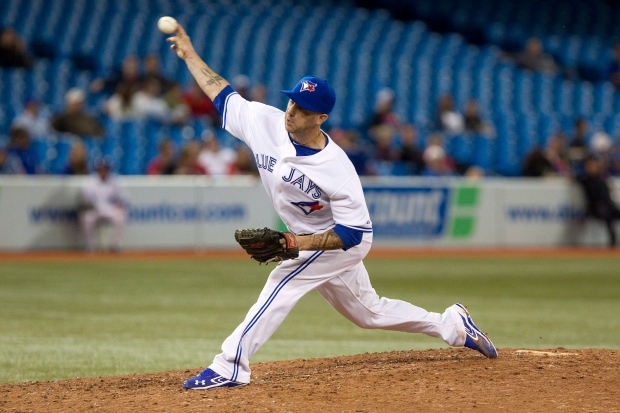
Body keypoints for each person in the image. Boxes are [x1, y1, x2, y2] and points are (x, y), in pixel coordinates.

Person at [166, 23, 498, 391]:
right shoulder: (265, 122)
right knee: (367, 313)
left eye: (303, 108)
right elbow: (222, 94)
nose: (292, 111)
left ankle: (231, 364)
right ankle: (451, 324)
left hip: (343, 239)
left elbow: (352, 233)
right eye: (292, 101)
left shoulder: (336, 169)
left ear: (321, 118)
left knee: (283, 281)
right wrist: (190, 54)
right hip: (312, 236)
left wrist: (296, 245)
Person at [79, 157, 128, 252]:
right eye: (101, 168)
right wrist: (89, 205)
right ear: (97, 169)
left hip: (109, 208)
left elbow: (124, 198)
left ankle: (115, 245)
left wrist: (120, 204)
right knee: (87, 217)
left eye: (105, 168)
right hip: (95, 209)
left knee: (120, 216)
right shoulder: (90, 182)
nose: (103, 170)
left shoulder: (115, 181)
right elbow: (86, 199)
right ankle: (91, 244)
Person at [576, 155, 620, 247]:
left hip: (608, 205)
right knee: (608, 216)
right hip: (596, 208)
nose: (593, 167)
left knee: (612, 212)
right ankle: (612, 243)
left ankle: (614, 243)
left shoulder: (601, 178)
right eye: (590, 165)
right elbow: (575, 178)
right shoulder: (586, 179)